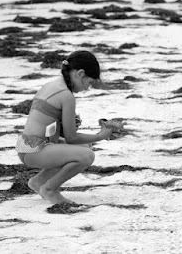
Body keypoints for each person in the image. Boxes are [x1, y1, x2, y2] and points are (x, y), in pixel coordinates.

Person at [15, 50, 112, 204]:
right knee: (87, 155)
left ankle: (39, 181)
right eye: (90, 82)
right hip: (34, 150)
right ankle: (50, 188)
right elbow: (71, 138)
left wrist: (65, 123)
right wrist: (101, 135)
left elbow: (45, 123)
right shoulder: (66, 96)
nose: (87, 88)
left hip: (26, 145)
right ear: (80, 74)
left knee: (85, 146)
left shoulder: (52, 85)